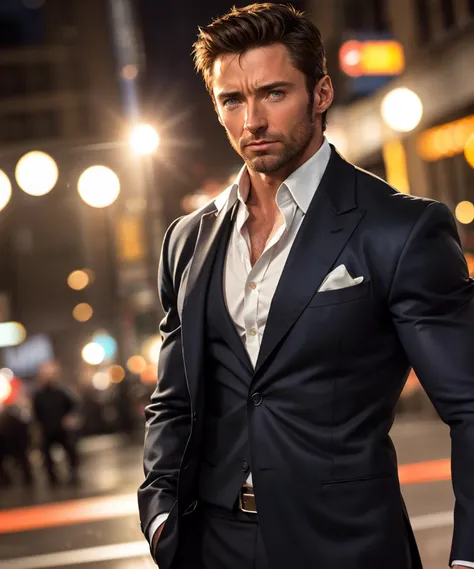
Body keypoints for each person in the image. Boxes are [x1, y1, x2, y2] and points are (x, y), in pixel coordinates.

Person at [138, 4, 474, 569]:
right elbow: (173, 401)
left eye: (273, 93)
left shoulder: (399, 227)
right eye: (232, 100)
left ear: (321, 94)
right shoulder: (188, 240)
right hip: (211, 545)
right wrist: (161, 514)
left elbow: (469, 404)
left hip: (347, 546)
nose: (252, 122)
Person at [33, 360, 80, 485]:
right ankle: (52, 478)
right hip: (47, 429)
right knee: (46, 454)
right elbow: (36, 412)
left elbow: (74, 406)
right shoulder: (39, 394)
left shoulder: (62, 391)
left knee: (70, 450)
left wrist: (70, 418)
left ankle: (73, 474)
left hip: (62, 429)